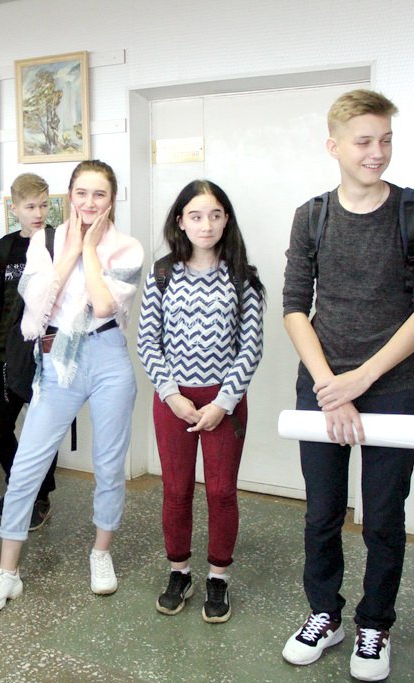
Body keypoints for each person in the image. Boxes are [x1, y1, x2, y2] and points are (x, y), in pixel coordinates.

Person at [280, 90, 414, 681]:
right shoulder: (312, 215)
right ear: (334, 146)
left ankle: (375, 624)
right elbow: (294, 307)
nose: (377, 152)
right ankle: (324, 614)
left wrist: (362, 378)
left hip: (393, 386)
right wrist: (331, 383)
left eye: (386, 140)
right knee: (322, 512)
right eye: (364, 141)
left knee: (382, 517)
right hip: (322, 385)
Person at [0, 160, 143, 614]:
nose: (90, 203)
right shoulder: (43, 242)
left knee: (109, 465)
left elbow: (104, 305)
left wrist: (88, 248)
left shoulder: (127, 248)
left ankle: (101, 552)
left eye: (100, 195)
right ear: (69, 196)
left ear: (112, 200)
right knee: (27, 466)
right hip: (56, 362)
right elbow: (33, 311)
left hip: (108, 359)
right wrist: (69, 250)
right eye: (81, 193)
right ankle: (7, 572)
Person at [137, 180, 264, 624]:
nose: (205, 224)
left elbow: (251, 347)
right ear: (181, 221)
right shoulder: (162, 273)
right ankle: (179, 572)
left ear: (226, 220)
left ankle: (218, 577)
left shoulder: (243, 276)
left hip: (223, 403)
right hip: (173, 401)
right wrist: (171, 394)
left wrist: (223, 403)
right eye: (195, 216)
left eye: (214, 215)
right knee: (175, 490)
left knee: (222, 491)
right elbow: (147, 341)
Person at [0, 173, 59, 530]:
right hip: (9, 355)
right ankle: (20, 490)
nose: (38, 213)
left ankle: (40, 499)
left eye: (44, 205)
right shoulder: (2, 250)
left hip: (48, 355)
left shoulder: (60, 243)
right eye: (30, 206)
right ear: (14, 208)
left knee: (43, 432)